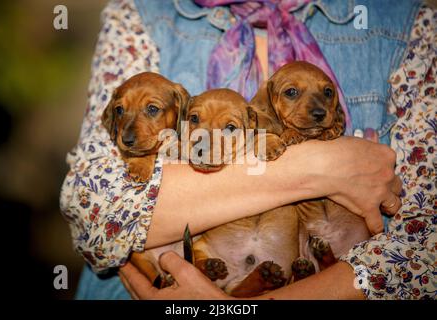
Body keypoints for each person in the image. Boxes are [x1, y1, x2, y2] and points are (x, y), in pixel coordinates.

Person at [60, 0, 436, 300]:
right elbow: (89, 205)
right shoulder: (141, 13)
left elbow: (425, 247)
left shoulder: (410, 22)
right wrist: (322, 166)